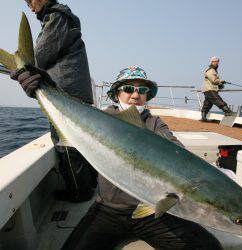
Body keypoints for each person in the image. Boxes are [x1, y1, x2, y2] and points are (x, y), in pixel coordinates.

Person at [62, 67, 223, 250]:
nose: (135, 95)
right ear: (116, 94)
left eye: (142, 90)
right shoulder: (102, 118)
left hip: (152, 210)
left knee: (208, 247)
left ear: (147, 96)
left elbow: (174, 147)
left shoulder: (155, 123)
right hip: (108, 210)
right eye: (129, 89)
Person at [11, 0, 97, 202]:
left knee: (66, 145)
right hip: (75, 93)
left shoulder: (57, 17)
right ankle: (90, 183)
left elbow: (38, 57)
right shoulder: (63, 16)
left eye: (30, 1)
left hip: (66, 94)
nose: (30, 8)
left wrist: (20, 64)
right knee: (83, 143)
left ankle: (79, 192)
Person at [200, 56, 234, 122]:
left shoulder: (213, 70)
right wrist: (221, 81)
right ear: (212, 62)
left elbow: (214, 81)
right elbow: (214, 80)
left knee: (207, 104)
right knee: (218, 100)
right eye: (216, 62)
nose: (217, 63)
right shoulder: (210, 70)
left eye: (218, 62)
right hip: (210, 89)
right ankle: (227, 111)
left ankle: (203, 117)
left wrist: (220, 85)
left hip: (208, 89)